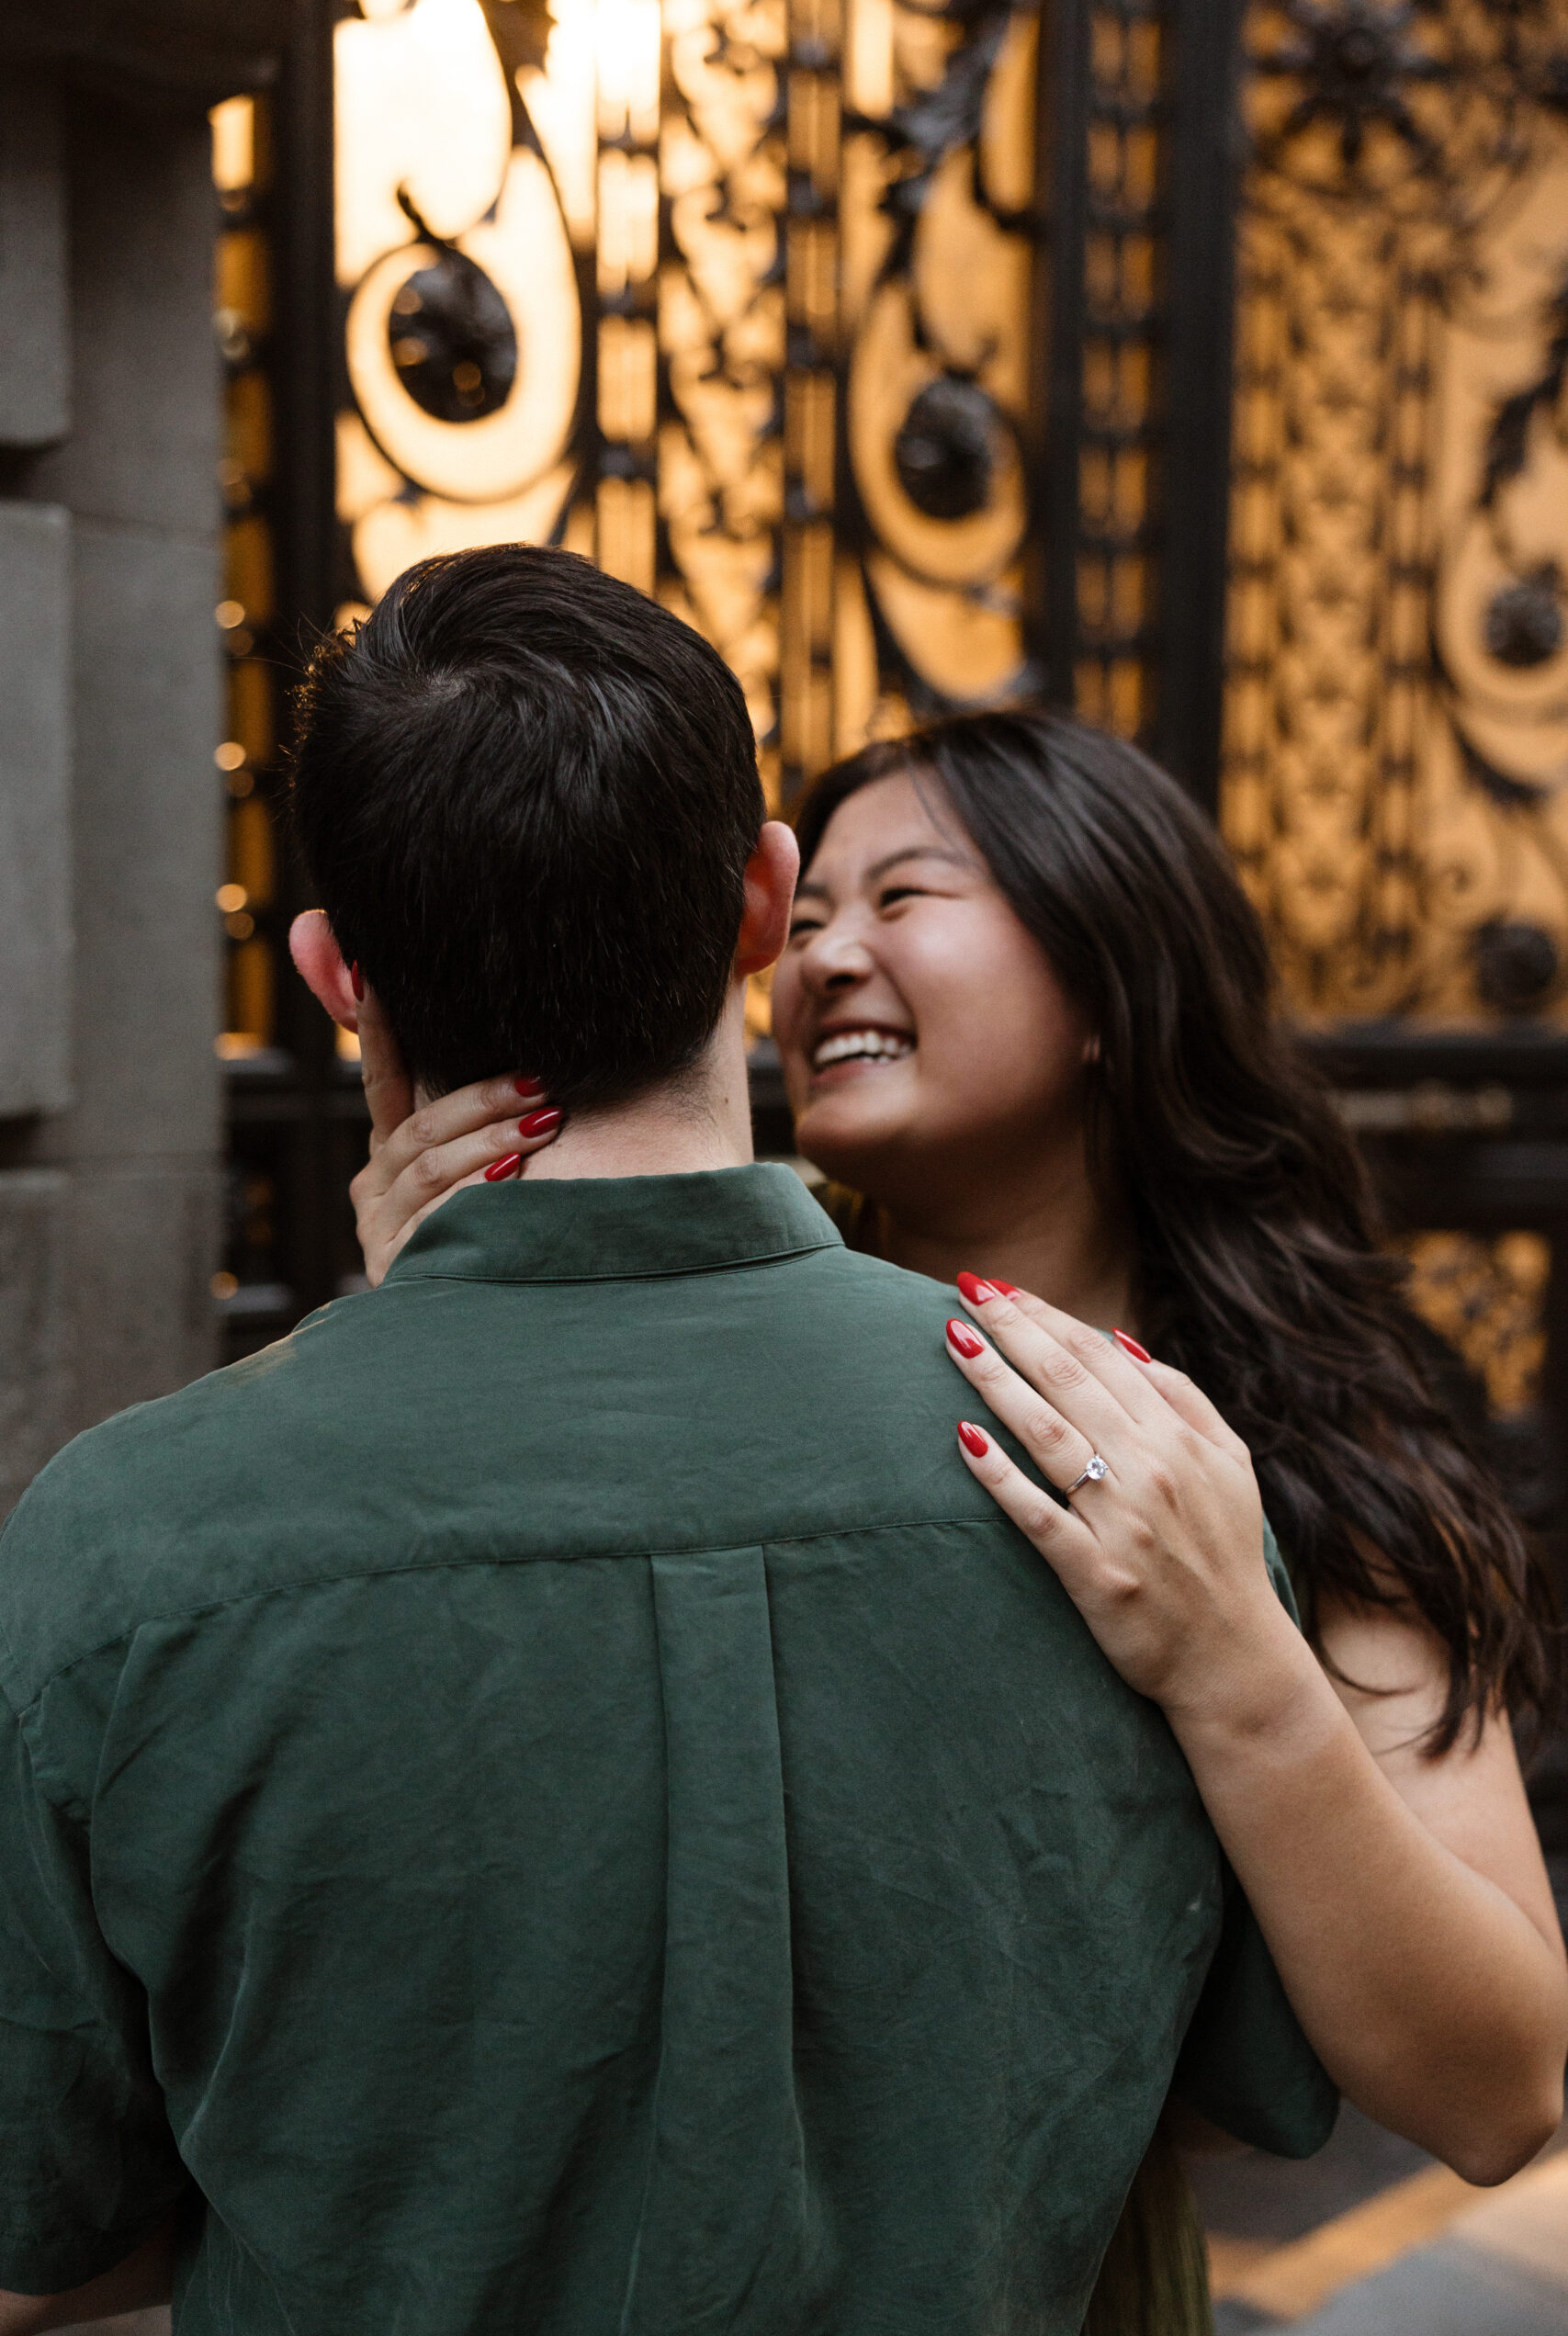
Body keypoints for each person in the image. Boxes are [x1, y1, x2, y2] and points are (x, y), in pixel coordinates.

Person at [0, 556, 1337, 2336]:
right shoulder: (1115, 1463)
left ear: (334, 971)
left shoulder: (123, 1543)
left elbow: (52, 2221)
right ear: (764, 899)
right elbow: (1252, 2078)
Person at [359, 705, 1568, 2336]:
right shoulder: (706, 1337)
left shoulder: (1293, 1443)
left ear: (1106, 977)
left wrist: (1238, 1664)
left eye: (907, 897)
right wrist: (441, 1335)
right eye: (813, 914)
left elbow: (1499, 2091)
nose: (823, 959)